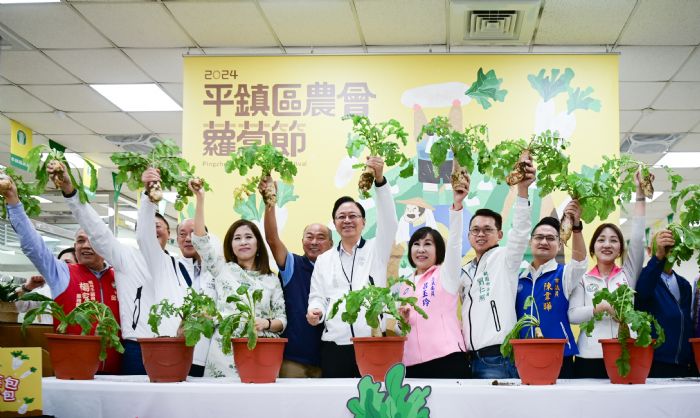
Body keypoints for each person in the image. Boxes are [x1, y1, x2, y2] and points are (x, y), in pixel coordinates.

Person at [45, 162, 157, 375]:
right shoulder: (125, 258)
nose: (152, 232)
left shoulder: (178, 267)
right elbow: (95, 229)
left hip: (172, 345)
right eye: (149, 226)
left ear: (169, 234)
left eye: (158, 228)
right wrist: (70, 191)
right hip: (135, 348)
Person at [1, 177, 121, 374]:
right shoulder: (62, 273)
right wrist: (13, 202)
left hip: (118, 374)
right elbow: (34, 247)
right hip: (72, 371)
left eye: (92, 240)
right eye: (80, 241)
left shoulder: (120, 276)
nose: (85, 246)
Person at [307, 157, 399, 378]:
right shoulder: (324, 259)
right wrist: (315, 311)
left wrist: (379, 180)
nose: (347, 220)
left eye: (353, 216)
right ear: (335, 224)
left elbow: (389, 221)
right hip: (334, 346)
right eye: (341, 217)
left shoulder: (377, 249)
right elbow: (317, 297)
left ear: (363, 222)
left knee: (372, 397)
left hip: (371, 342)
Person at [446, 155, 535, 379]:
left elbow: (520, 231)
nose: (480, 234)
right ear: (469, 235)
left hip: (498, 357)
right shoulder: (466, 271)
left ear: (499, 235)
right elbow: (452, 248)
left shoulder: (505, 259)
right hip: (470, 359)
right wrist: (457, 205)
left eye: (487, 230)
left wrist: (522, 191)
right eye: (475, 230)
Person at [189, 179, 286, 378]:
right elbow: (200, 242)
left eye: (248, 237)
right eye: (237, 238)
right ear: (231, 245)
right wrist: (200, 198)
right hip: (223, 352)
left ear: (258, 244)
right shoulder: (222, 269)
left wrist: (266, 323)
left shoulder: (271, 279)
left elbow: (282, 320)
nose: (243, 242)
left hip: (259, 350)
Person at [137, 168, 216, 377]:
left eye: (194, 233)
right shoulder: (163, 264)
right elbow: (144, 237)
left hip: (207, 358)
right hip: (171, 353)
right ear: (176, 238)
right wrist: (149, 196)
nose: (188, 239)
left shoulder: (215, 271)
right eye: (182, 234)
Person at [569, 171, 648, 378]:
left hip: (625, 352)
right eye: (601, 240)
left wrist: (640, 192)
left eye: (614, 240)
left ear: (620, 249)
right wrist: (600, 308)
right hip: (589, 357)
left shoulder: (628, 275)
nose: (607, 244)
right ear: (593, 248)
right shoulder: (583, 279)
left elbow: (638, 239)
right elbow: (573, 315)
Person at [397, 165, 470, 378]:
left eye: (428, 244)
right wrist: (402, 321)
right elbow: (402, 330)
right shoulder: (405, 284)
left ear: (439, 250)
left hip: (447, 359)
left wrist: (457, 206)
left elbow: (455, 243)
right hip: (411, 364)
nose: (421, 249)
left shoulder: (446, 274)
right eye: (416, 244)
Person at [259, 176, 333, 378]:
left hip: (328, 360)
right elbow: (272, 239)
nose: (314, 242)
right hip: (293, 360)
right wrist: (269, 201)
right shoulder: (293, 264)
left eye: (321, 238)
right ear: (302, 241)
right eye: (309, 237)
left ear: (331, 244)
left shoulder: (337, 269)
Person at [516, 202, 587, 379]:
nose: (544, 242)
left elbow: (580, 263)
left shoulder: (564, 274)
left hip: (560, 356)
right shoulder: (518, 278)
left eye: (550, 238)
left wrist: (576, 227)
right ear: (530, 242)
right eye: (539, 237)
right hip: (524, 355)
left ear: (560, 244)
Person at [635, 230, 695, 377]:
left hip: (683, 364)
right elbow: (642, 293)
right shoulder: (643, 278)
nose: (667, 251)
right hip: (655, 363)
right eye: (662, 246)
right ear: (650, 251)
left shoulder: (684, 285)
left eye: (671, 247)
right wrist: (658, 257)